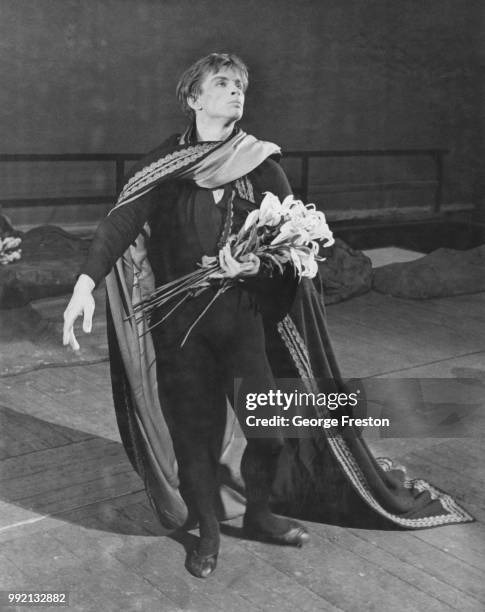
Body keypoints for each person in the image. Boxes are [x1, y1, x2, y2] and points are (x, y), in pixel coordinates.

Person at [63, 53, 473, 579]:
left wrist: (257, 264)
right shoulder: (162, 168)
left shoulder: (263, 166)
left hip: (244, 326)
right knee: (196, 437)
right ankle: (208, 534)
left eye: (241, 85)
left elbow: (294, 255)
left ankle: (259, 514)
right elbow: (117, 227)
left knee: (271, 432)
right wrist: (84, 284)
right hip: (179, 330)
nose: (236, 92)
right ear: (194, 97)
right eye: (223, 83)